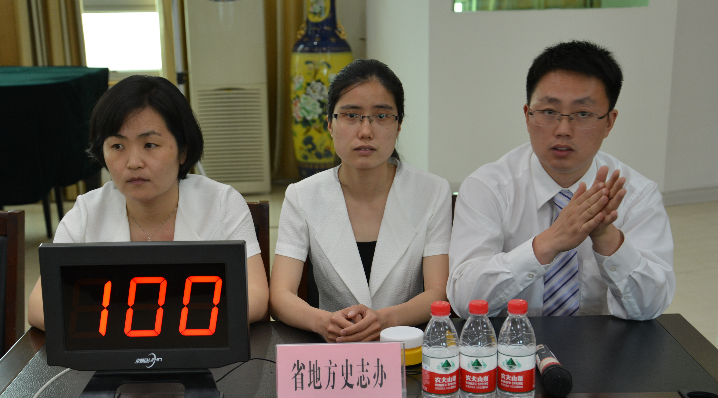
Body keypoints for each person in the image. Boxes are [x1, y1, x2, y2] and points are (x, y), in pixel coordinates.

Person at [448, 41, 675, 320]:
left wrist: (608, 238)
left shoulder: (636, 194)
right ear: (527, 116)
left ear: (609, 122)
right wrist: (547, 244)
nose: (563, 129)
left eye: (583, 114)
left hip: (604, 344)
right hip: (512, 341)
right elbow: (464, 301)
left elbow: (651, 307)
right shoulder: (488, 187)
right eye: (549, 112)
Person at [28, 76, 269, 329]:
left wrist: (156, 326)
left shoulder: (221, 203)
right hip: (112, 348)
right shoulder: (88, 212)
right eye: (117, 146)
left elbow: (256, 297)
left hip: (202, 348)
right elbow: (39, 306)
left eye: (150, 145)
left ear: (183, 150)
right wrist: (135, 329)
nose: (133, 162)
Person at [270, 59, 452, 342]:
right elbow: (280, 296)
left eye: (381, 116)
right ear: (330, 124)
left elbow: (438, 293)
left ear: (399, 126)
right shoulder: (302, 196)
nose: (365, 131)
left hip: (408, 349)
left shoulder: (433, 192)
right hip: (335, 348)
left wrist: (384, 321)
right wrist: (324, 322)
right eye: (351, 115)